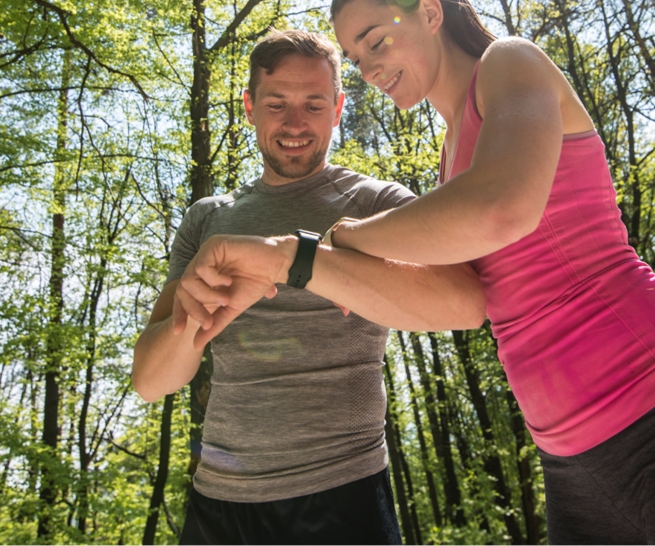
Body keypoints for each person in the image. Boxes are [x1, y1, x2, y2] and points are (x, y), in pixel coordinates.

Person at [177, 0, 655, 544]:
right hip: (570, 457)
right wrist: (318, 273)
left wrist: (336, 239)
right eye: (356, 58)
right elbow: (460, 293)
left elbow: (501, 209)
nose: (371, 67)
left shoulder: (512, 64)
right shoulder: (450, 157)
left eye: (376, 40)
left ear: (430, 13)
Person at [131, 29, 485, 545]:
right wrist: (193, 317)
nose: (295, 124)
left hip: (344, 494)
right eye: (277, 104)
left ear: (339, 108)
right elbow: (150, 381)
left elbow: (467, 302)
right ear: (250, 107)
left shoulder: (376, 204)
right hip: (219, 502)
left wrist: (295, 262)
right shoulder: (208, 219)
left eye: (314, 105)